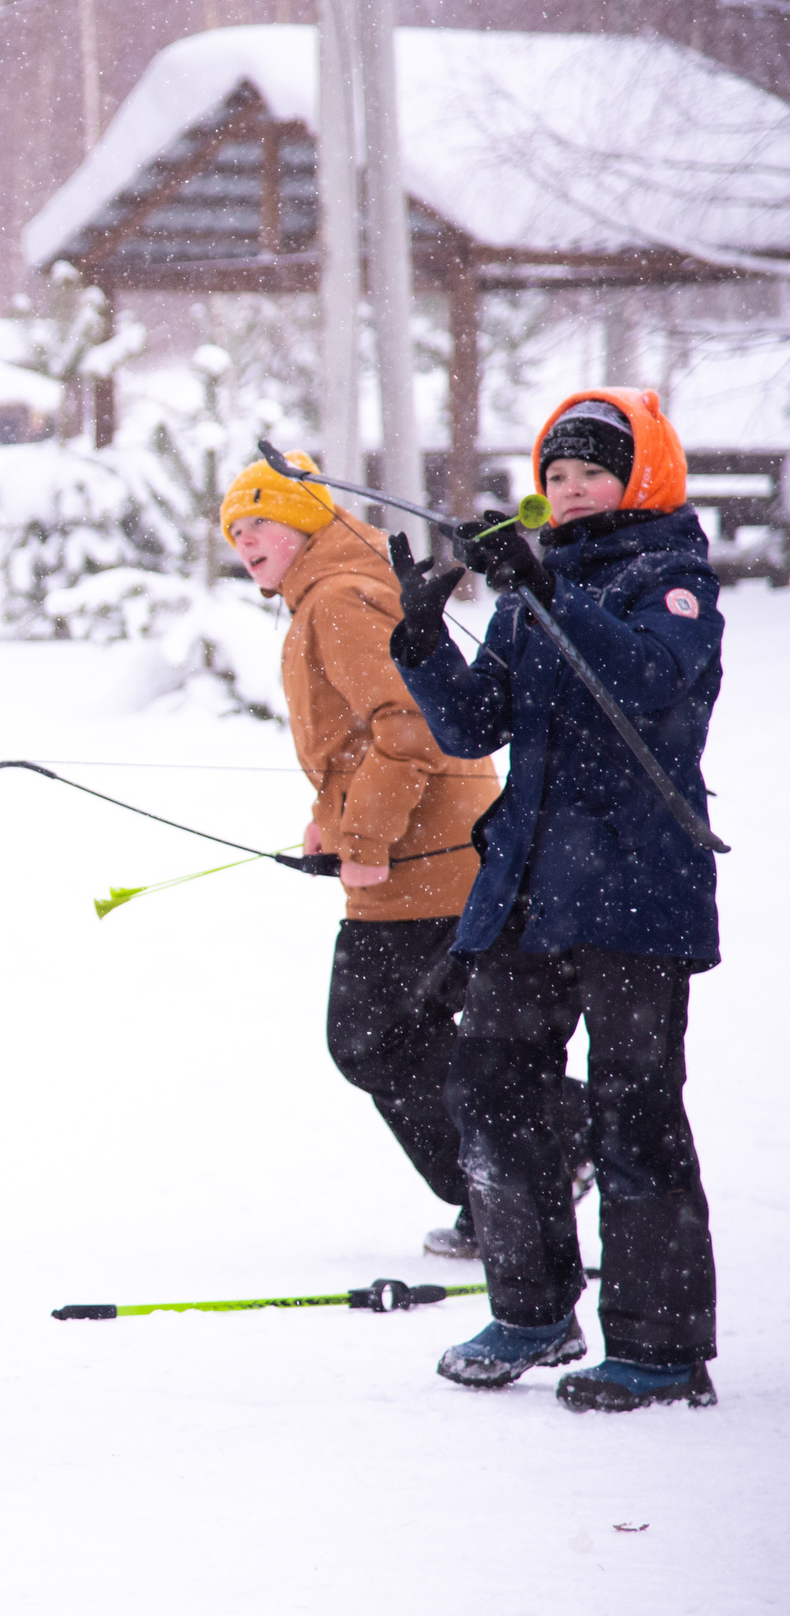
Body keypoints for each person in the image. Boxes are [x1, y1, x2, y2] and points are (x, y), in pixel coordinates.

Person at [389, 389, 722, 1413]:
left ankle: (661, 1350)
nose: (570, 494)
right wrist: (422, 637)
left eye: (590, 475)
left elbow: (641, 684)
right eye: (556, 479)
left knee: (634, 1113)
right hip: (529, 890)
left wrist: (544, 592)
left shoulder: (672, 581)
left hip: (633, 889)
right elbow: (472, 726)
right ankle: (532, 1309)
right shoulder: (540, 586)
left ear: (640, 477)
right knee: (488, 1091)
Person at [218, 453, 538, 1259]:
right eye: (235, 529)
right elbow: (363, 740)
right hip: (428, 852)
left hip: (427, 859)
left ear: (305, 521)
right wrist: (335, 818)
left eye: (261, 521)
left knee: (374, 1037)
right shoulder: (332, 591)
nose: (245, 539)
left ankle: (552, 1149)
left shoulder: (339, 599)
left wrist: (364, 838)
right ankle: (504, 1188)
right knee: (410, 1033)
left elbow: (412, 727)